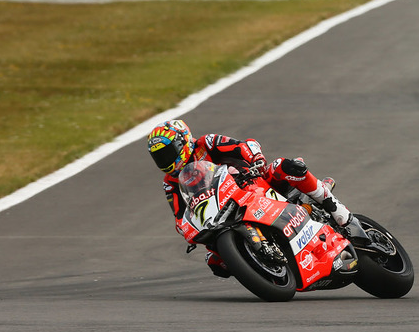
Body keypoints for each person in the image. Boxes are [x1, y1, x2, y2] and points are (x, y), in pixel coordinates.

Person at [147, 119, 363, 277]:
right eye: (159, 157)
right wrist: (186, 229)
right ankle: (257, 259)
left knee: (287, 167)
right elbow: (179, 215)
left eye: (166, 153)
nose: (164, 160)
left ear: (182, 143)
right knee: (216, 261)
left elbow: (245, 145)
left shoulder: (207, 143)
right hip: (221, 210)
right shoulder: (171, 181)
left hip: (254, 183)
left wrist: (256, 159)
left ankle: (341, 213)